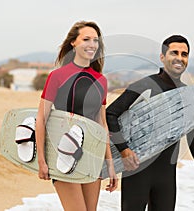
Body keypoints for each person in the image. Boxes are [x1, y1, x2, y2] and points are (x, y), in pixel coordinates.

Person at [106, 35, 194, 210]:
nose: (179, 58)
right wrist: (124, 150)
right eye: (174, 53)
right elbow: (110, 114)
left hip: (166, 174)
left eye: (184, 54)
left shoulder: (187, 95)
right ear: (162, 57)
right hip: (137, 170)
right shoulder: (144, 85)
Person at [36, 21, 118, 211]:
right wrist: (41, 160)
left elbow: (102, 124)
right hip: (63, 153)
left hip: (92, 156)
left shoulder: (101, 80)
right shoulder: (57, 76)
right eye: (86, 39)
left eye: (95, 40)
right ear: (73, 42)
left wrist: (110, 166)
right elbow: (41, 119)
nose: (92, 44)